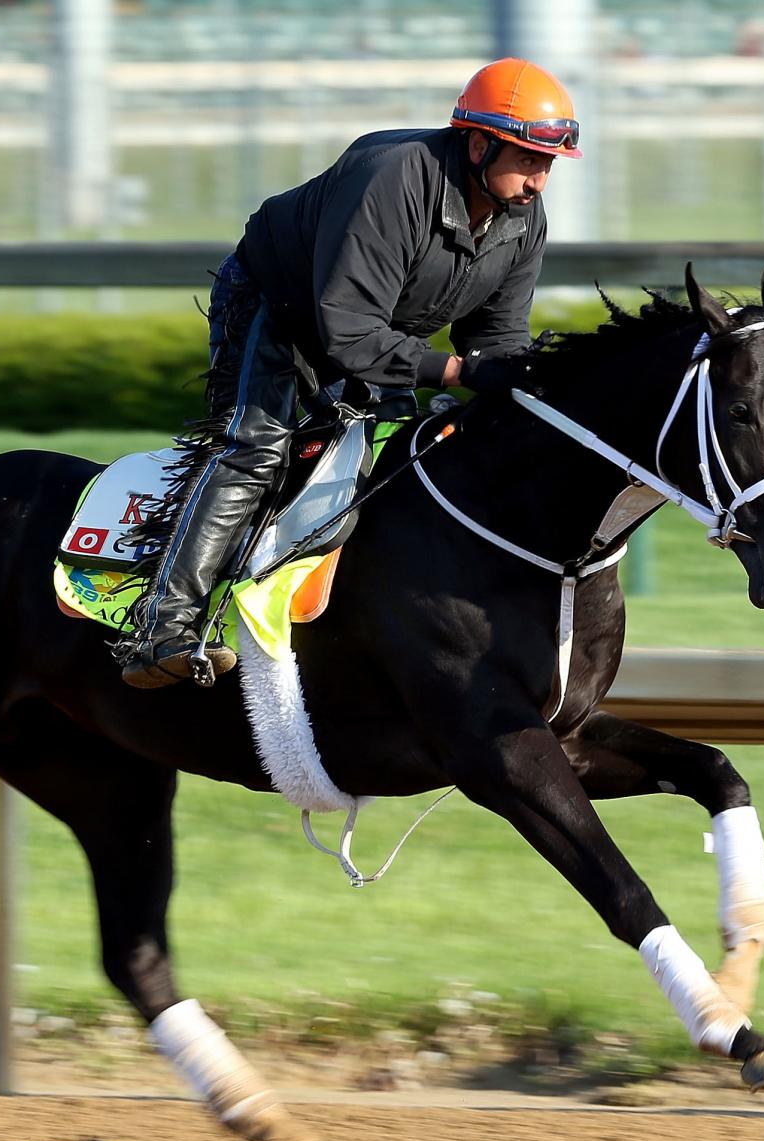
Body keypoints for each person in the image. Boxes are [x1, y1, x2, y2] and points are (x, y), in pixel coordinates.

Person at [117, 57, 581, 689]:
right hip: (278, 307)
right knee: (257, 446)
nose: (539, 181)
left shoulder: (524, 221)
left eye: (547, 164)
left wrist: (511, 382)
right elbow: (349, 331)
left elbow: (497, 340)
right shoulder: (392, 177)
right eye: (528, 160)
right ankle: (162, 626)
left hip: (369, 329)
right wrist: (453, 370)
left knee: (387, 459)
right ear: (478, 143)